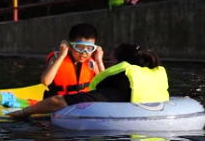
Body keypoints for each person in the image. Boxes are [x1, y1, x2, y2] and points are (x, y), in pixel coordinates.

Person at [10, 43, 168, 119]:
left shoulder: (111, 92)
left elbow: (57, 102)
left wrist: (26, 112)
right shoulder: (148, 78)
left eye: (110, 60)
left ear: (119, 64)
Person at [40, 23, 105, 98]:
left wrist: (99, 60)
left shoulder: (91, 63)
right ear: (70, 46)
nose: (84, 52)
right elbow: (46, 81)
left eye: (89, 48)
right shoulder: (57, 58)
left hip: (83, 102)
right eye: (80, 47)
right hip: (59, 103)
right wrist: (61, 56)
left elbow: (104, 84)